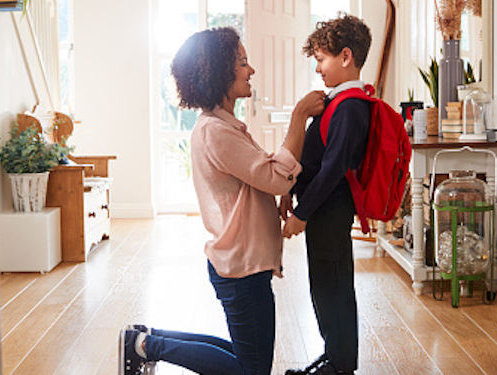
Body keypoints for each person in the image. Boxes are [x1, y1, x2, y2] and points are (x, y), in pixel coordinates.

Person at [119, 27, 325, 375]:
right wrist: (298, 117)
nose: (251, 70)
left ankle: (144, 339)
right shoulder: (216, 131)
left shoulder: (222, 125)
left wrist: (285, 187)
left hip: (241, 263)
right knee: (251, 370)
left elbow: (262, 175)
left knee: (246, 355)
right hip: (241, 267)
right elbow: (273, 177)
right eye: (243, 63)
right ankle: (146, 346)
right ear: (218, 72)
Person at [280, 14, 373, 375]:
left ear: (345, 56)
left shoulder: (350, 106)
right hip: (323, 211)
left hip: (330, 212)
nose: (318, 68)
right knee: (324, 285)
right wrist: (292, 191)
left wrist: (302, 214)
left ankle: (340, 365)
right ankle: (332, 355)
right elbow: (316, 155)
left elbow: (333, 168)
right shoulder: (339, 101)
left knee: (333, 288)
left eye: (321, 59)